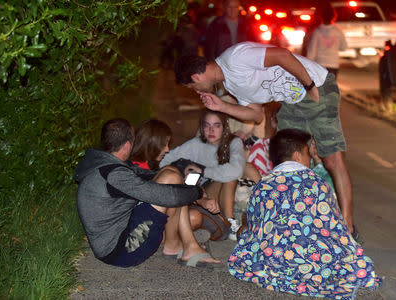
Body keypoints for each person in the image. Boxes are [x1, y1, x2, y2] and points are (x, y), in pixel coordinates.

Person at [174, 42, 357, 239]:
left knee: (331, 158)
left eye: (193, 87)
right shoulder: (230, 84)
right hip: (291, 103)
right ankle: (297, 221)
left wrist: (309, 85)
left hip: (317, 86)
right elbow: (256, 114)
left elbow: (282, 56)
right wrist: (221, 107)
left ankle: (348, 227)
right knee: (287, 162)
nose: (197, 91)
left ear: (196, 77)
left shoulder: (235, 58)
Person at [228, 128, 381, 299]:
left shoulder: (263, 185)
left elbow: (256, 227)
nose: (310, 159)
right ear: (297, 156)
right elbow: (335, 228)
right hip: (315, 262)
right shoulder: (317, 183)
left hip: (273, 262)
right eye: (308, 153)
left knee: (245, 232)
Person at [74, 118, 220, 268]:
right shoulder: (114, 175)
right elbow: (168, 196)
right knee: (171, 182)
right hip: (122, 251)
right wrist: (198, 194)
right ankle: (185, 246)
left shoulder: (106, 166)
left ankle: (178, 246)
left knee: (171, 174)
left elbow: (147, 174)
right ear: (127, 145)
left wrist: (187, 183)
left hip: (122, 233)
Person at [160, 109, 250, 240]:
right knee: (229, 178)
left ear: (224, 127)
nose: (211, 130)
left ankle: (263, 209)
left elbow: (236, 170)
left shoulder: (234, 142)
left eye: (216, 125)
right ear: (202, 127)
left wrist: (203, 170)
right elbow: (165, 160)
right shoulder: (196, 144)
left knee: (248, 168)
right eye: (207, 125)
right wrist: (180, 172)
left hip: (231, 192)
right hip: (205, 194)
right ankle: (230, 222)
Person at [130, 118, 222, 242]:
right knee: (193, 216)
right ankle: (176, 240)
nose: (167, 149)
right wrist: (199, 197)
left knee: (194, 216)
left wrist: (202, 199)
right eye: (164, 144)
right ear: (152, 143)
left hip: (155, 217)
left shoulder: (151, 166)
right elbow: (168, 194)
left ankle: (176, 238)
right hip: (140, 226)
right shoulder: (135, 169)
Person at [306, 3, 347, 79]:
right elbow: (343, 47)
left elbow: (311, 51)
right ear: (333, 16)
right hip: (334, 64)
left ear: (321, 16)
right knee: (331, 88)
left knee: (320, 88)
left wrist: (308, 66)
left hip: (319, 65)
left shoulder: (317, 31)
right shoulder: (338, 31)